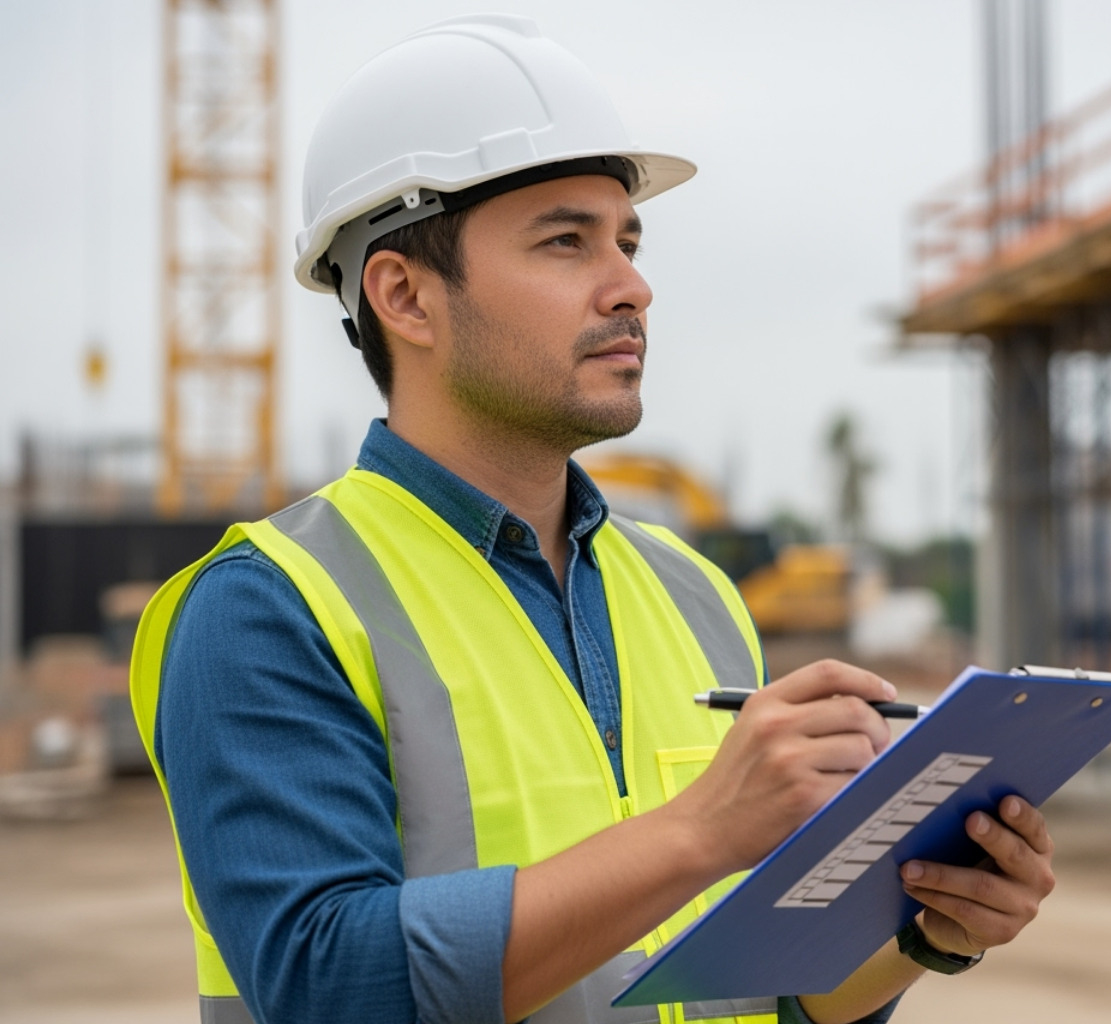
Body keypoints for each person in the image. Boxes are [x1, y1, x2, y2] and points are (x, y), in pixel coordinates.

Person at [130, 14, 1055, 1024]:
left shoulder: (693, 594)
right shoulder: (269, 610)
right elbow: (327, 987)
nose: (633, 286)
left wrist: (923, 933)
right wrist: (703, 828)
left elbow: (758, 997)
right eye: (566, 241)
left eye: (628, 240)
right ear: (405, 296)